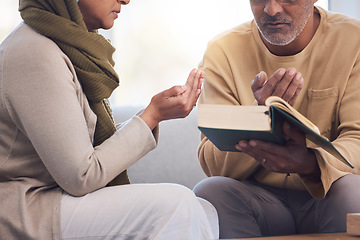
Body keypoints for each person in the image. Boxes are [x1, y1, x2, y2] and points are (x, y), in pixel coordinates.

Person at [0, 0, 219, 239]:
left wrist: (153, 116)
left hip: (52, 199)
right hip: (27, 209)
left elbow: (82, 153)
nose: (125, 0)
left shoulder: (65, 46)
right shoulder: (34, 53)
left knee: (204, 210)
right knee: (179, 204)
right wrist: (152, 115)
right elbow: (81, 175)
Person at [193, 0, 360, 239]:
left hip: (331, 194)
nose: (272, 10)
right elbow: (214, 165)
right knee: (210, 191)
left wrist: (311, 163)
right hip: (260, 201)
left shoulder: (354, 40)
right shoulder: (223, 50)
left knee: (354, 190)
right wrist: (259, 116)